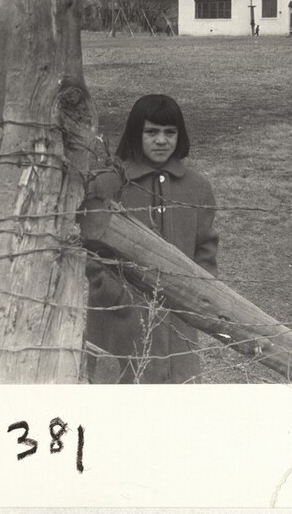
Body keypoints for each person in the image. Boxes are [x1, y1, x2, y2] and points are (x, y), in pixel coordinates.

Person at [85, 94, 219, 383]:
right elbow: (90, 251)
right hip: (118, 315)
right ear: (136, 133)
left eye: (170, 133)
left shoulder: (198, 188)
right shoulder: (107, 184)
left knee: (175, 395)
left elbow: (205, 248)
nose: (161, 141)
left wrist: (198, 297)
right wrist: (114, 292)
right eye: (151, 132)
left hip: (178, 317)